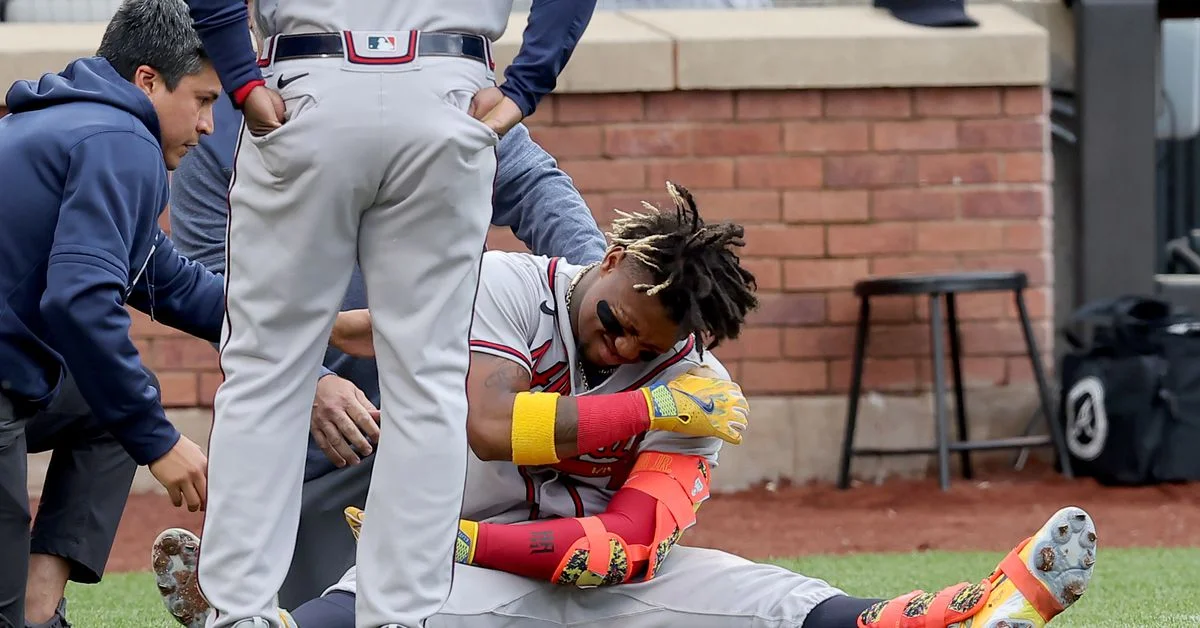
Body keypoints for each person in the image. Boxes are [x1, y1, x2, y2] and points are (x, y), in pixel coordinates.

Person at [152, 183, 1097, 628]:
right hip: (463, 565)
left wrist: (470, 539)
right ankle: (246, 625)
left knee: (768, 599)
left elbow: (623, 550)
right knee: (379, 608)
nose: (621, 352)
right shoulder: (514, 284)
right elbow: (491, 425)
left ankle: (971, 614)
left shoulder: (703, 387)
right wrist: (640, 412)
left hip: (587, 576)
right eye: (615, 327)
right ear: (605, 261)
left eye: (647, 353)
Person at [178, 0, 601, 624]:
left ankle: (240, 611)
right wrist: (524, 86)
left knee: (269, 372)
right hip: (446, 79)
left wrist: (242, 79)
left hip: (310, 77)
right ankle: (399, 615)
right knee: (430, 382)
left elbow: (538, 187)